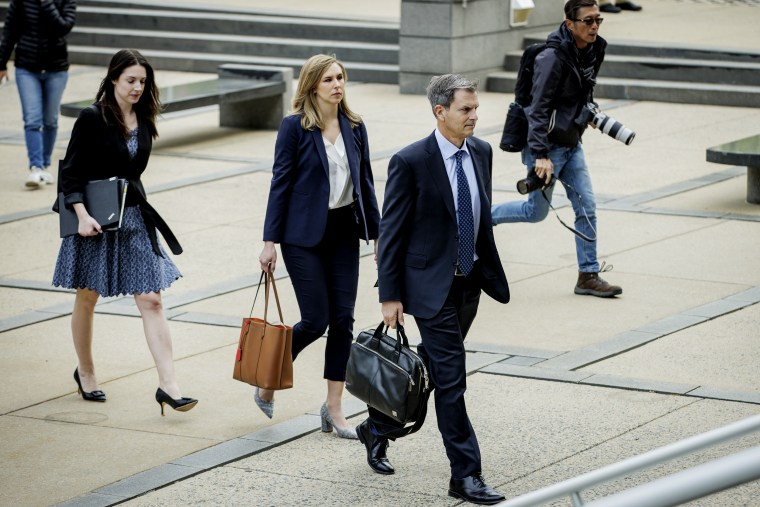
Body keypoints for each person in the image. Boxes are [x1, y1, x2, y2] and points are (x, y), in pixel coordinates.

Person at [357, 74, 510, 505]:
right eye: (466, 109)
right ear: (440, 111)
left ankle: (377, 427)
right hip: (430, 289)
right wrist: (390, 295)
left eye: (476, 108)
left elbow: (478, 214)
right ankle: (465, 475)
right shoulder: (411, 161)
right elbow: (391, 232)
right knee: (452, 381)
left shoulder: (480, 151)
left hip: (469, 283)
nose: (474, 116)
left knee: (434, 367)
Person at [52, 49, 196, 416]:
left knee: (152, 300)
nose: (137, 87)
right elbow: (70, 172)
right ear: (114, 78)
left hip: (133, 217)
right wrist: (81, 215)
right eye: (131, 80)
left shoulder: (145, 117)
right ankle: (85, 371)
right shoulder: (92, 118)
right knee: (88, 297)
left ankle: (169, 385)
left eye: (143, 82)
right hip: (94, 221)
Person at [257, 54, 381, 439]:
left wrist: (378, 235)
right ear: (312, 85)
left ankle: (334, 408)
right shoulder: (294, 128)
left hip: (344, 231)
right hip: (302, 236)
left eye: (341, 77)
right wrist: (269, 241)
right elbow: (280, 183)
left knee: (343, 320)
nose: (337, 84)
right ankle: (268, 378)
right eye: (328, 79)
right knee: (316, 320)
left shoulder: (355, 127)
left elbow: (366, 183)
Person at [491, 0, 623, 298]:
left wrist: (588, 111)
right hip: (547, 148)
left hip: (571, 143)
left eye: (598, 20)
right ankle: (481, 218)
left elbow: (583, 89)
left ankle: (588, 275)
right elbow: (537, 109)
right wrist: (540, 155)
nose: (594, 26)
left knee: (586, 207)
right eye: (588, 21)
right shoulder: (551, 57)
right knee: (535, 212)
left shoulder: (593, 49)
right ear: (570, 24)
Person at [0, 0, 76, 189]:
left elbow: (64, 27)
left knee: (50, 120)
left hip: (56, 69)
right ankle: (36, 167)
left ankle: (44, 164)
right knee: (33, 119)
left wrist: (47, 3)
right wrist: (2, 63)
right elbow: (10, 30)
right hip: (26, 68)